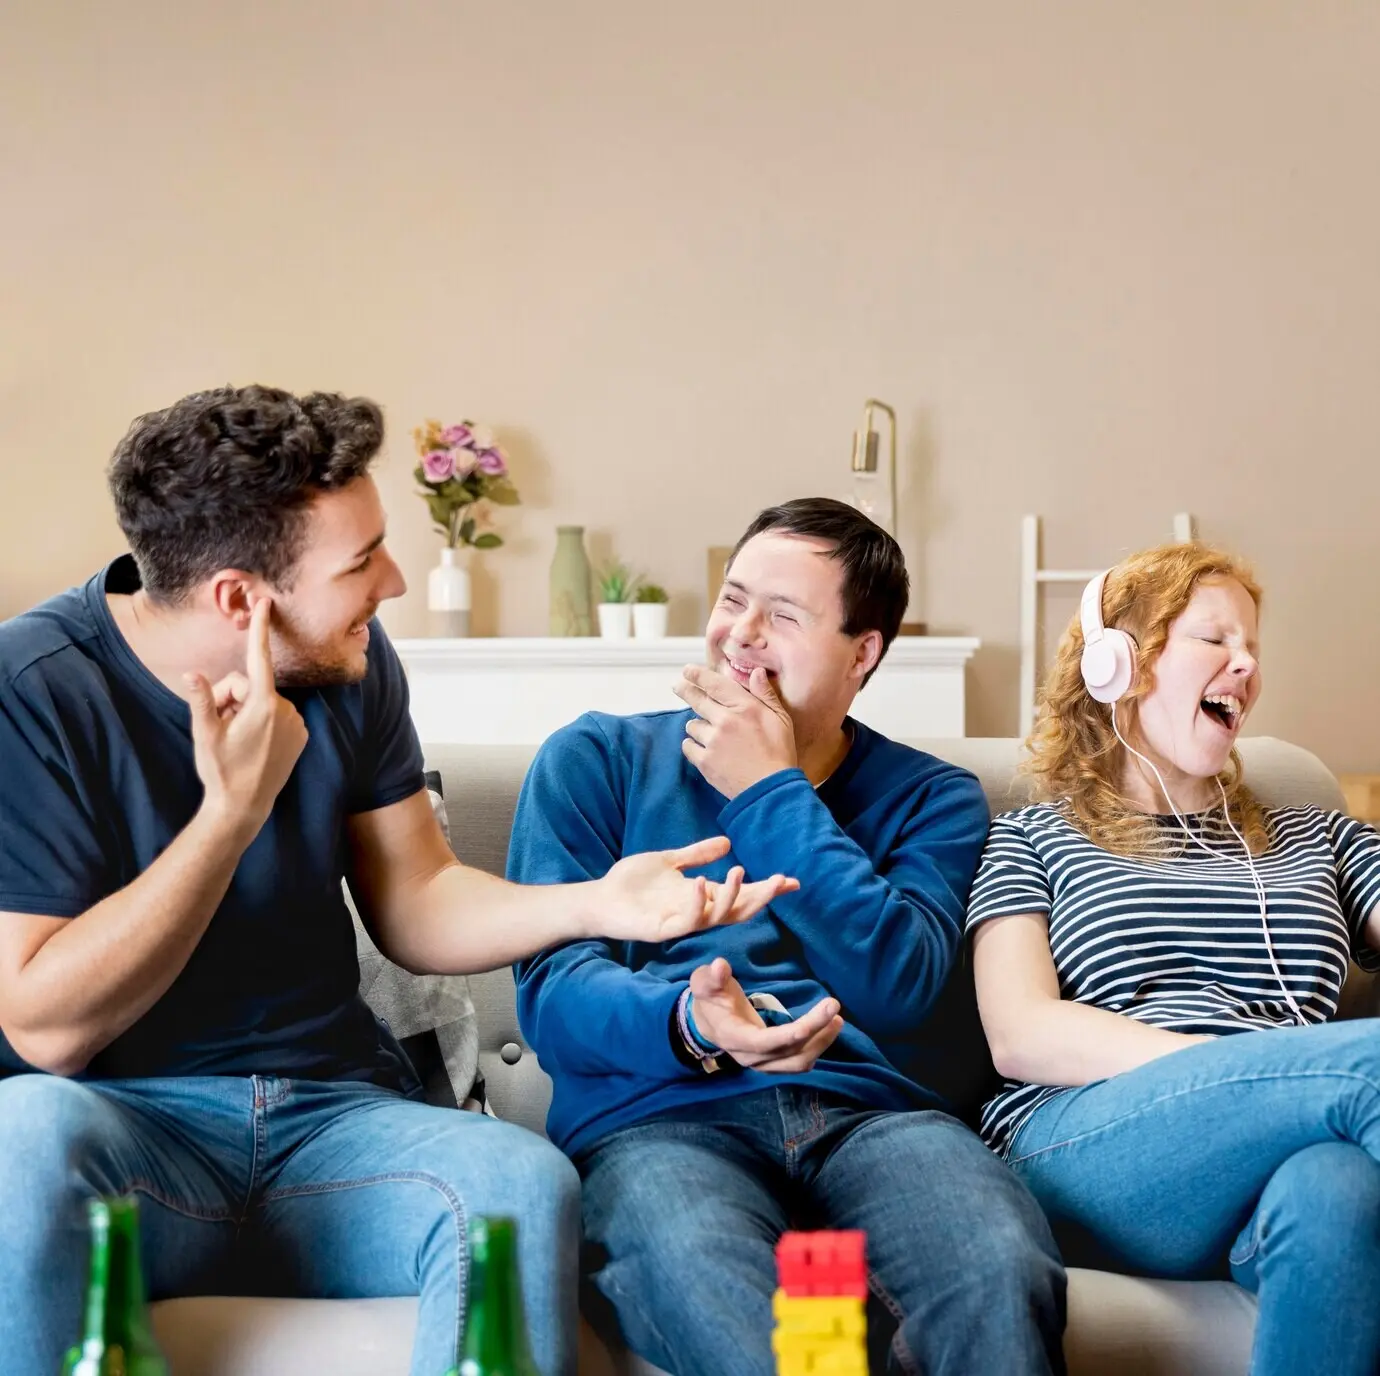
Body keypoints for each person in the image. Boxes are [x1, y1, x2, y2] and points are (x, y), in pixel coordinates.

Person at [0, 385, 789, 1376]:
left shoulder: (351, 664)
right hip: (130, 1132)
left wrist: (595, 902)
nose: (397, 581)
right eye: (361, 561)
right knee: (21, 1133)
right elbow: (47, 1026)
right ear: (241, 598)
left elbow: (417, 899)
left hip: (333, 1122)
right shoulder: (33, 688)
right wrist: (229, 815)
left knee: (518, 1181)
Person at [509, 497, 1067, 1376]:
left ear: (862, 654)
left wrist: (768, 789)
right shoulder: (596, 762)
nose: (740, 635)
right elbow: (552, 994)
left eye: (783, 616)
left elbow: (900, 982)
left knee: (1000, 1269)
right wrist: (689, 1029)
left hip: (876, 1122)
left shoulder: (933, 798)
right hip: (658, 1121)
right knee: (709, 1282)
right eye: (733, 600)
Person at [967, 540, 1380, 1376]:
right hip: (1090, 1142)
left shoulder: (1319, 835)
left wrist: (1273, 1079)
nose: (1246, 665)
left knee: (1339, 1191)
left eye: (1254, 647)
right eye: (1215, 639)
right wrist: (1236, 1070)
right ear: (1121, 663)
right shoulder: (1031, 839)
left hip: (1286, 1139)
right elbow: (1020, 1033)